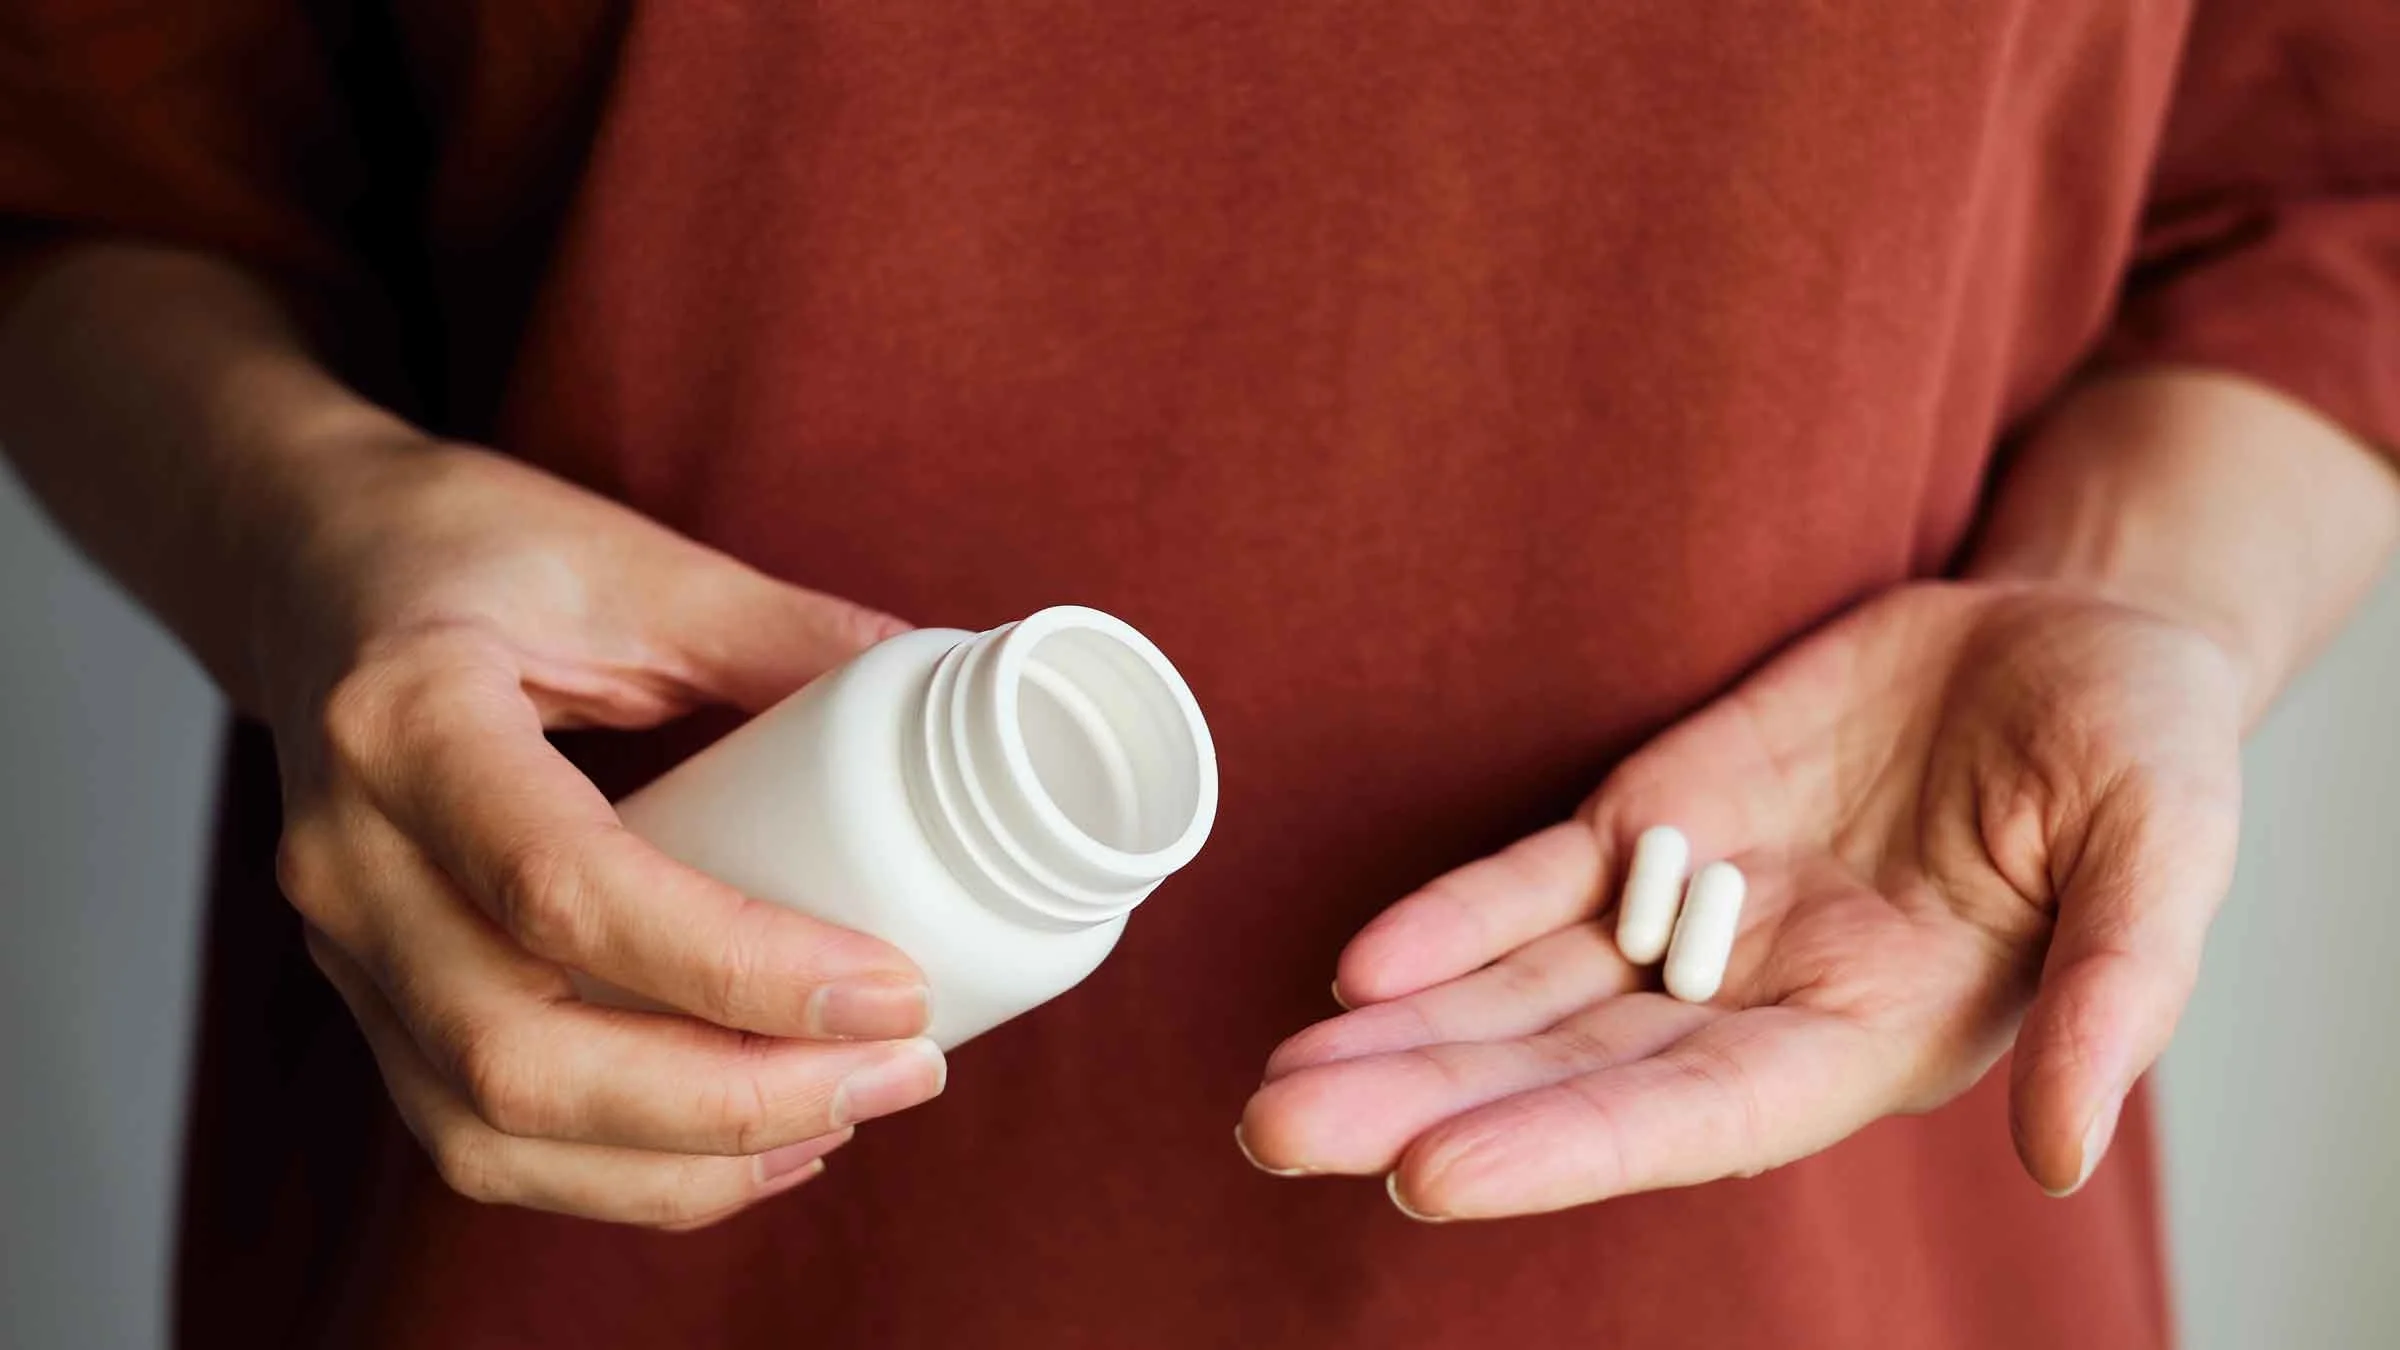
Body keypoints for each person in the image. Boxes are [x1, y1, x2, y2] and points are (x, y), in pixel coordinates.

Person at [2, 2, 2394, 1346]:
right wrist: (304, 538)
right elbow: (103, 174)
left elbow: (2331, 191)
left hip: (1789, 1249)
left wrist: (2139, 597)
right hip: (581, 1270)